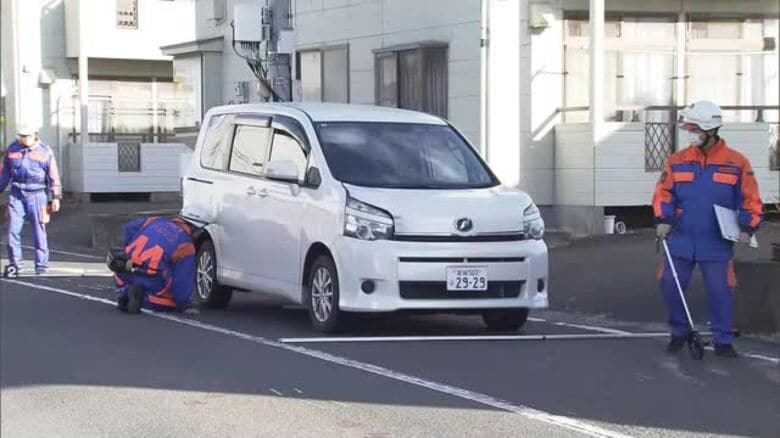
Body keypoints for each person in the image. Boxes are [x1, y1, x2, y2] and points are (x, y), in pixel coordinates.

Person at [652, 100, 763, 358]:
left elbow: (750, 198)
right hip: (680, 238)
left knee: (721, 290)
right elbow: (663, 193)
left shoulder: (737, 163)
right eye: (688, 128)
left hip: (716, 240)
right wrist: (663, 219)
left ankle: (723, 339)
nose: (689, 133)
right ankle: (680, 332)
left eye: (694, 129)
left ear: (711, 130)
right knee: (670, 284)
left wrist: (748, 226)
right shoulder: (677, 161)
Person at [0, 125, 62, 277]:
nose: (25, 138)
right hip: (16, 194)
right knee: (12, 231)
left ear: (35, 135)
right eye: (22, 136)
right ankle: (15, 265)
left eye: (27, 136)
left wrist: (55, 197)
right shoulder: (12, 149)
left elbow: (53, 175)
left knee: (39, 231)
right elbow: (5, 173)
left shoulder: (45, 151)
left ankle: (41, 265)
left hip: (37, 194)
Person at [114, 216, 196, 314]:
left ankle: (125, 292)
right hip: (152, 279)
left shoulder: (153, 220)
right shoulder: (186, 244)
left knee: (122, 268)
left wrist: (129, 249)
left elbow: (128, 228)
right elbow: (182, 279)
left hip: (127, 270)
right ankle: (144, 298)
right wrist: (185, 304)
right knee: (169, 301)